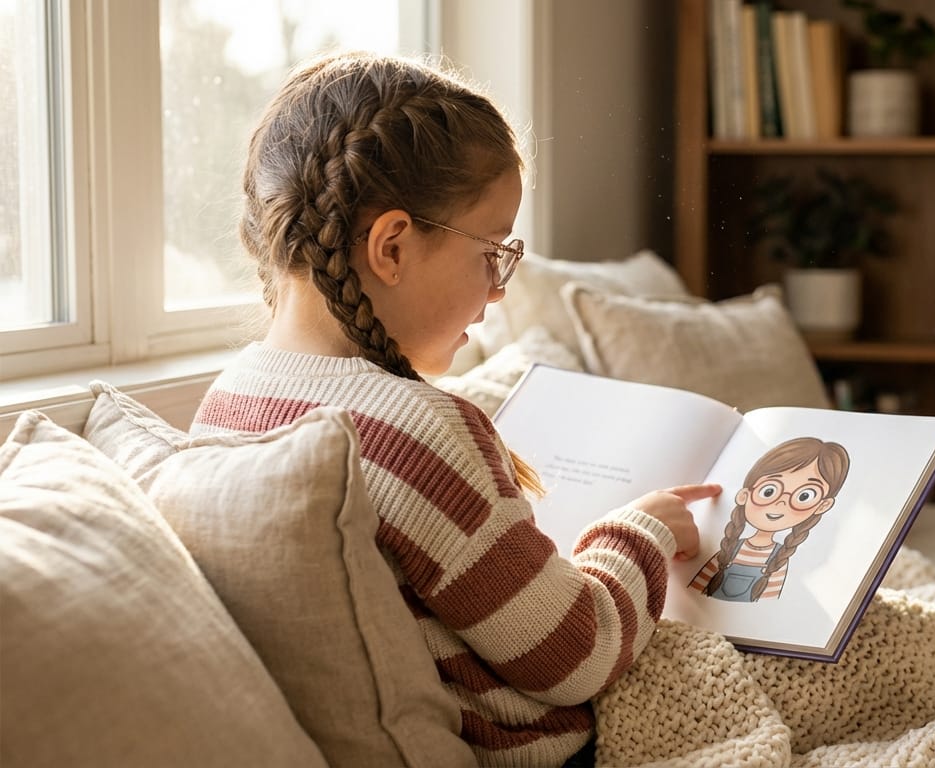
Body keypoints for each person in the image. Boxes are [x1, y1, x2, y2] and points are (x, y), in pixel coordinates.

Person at [190, 50, 718, 768]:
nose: (499, 290)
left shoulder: (229, 400)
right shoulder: (419, 433)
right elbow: (577, 656)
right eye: (494, 251)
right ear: (393, 246)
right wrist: (642, 533)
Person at [689, 437, 850, 602]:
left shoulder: (779, 560)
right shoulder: (727, 549)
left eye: (804, 496)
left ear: (822, 506)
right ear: (744, 495)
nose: (781, 503)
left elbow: (768, 604)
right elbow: (694, 593)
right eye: (769, 491)